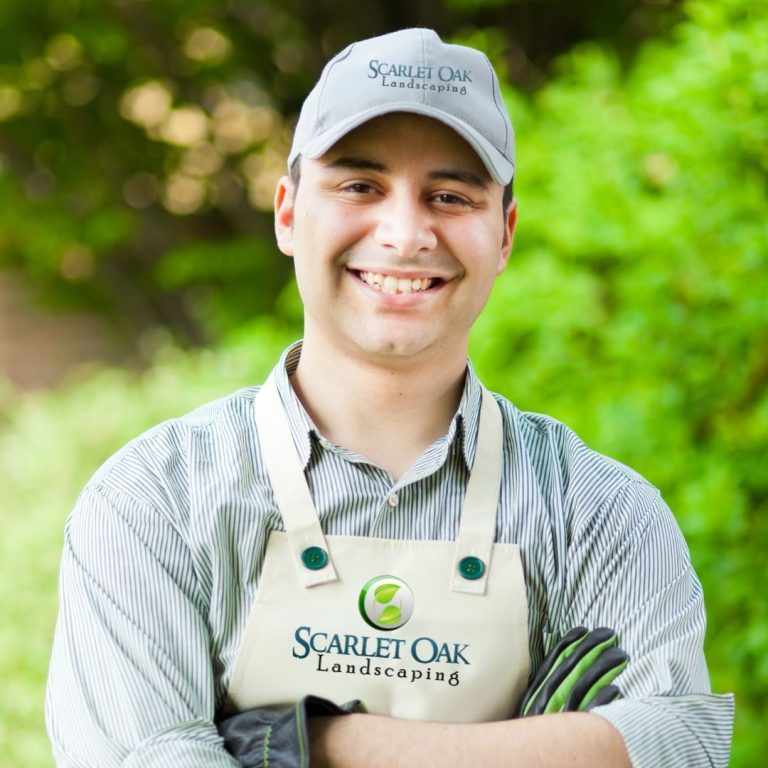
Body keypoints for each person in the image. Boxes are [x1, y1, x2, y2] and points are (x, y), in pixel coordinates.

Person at [46, 28, 733, 767]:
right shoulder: (155, 502)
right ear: (287, 214)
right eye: (359, 186)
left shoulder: (600, 514)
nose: (406, 235)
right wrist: (544, 751)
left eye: (449, 196)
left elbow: (684, 743)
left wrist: (329, 744)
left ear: (504, 235)